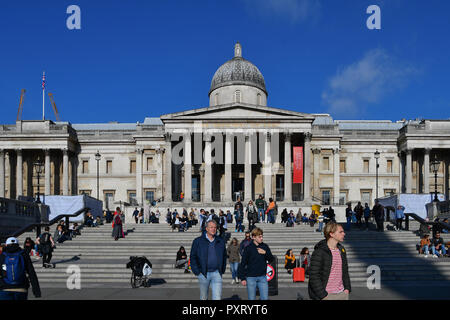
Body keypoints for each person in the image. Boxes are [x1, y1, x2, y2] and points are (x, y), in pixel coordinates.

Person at [308, 222, 351, 300]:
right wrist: (323, 295)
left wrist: (347, 289)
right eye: (340, 232)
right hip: (326, 295)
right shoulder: (320, 251)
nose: (344, 234)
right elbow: (313, 275)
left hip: (342, 293)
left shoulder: (342, 250)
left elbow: (345, 271)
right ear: (331, 234)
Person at [190, 220, 227, 300]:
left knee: (217, 298)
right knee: (204, 297)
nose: (213, 229)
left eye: (215, 227)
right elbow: (193, 257)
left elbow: (224, 256)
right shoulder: (198, 241)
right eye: (211, 227)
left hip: (217, 273)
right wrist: (197, 271)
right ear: (206, 228)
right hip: (203, 273)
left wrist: (222, 269)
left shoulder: (220, 241)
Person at [238, 227, 274, 300]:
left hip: (262, 277)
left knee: (265, 298)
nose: (262, 238)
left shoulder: (265, 246)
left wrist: (265, 253)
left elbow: (271, 259)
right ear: (254, 237)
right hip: (251, 277)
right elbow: (243, 263)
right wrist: (242, 278)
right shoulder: (248, 248)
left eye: (262, 236)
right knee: (251, 298)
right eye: (259, 237)